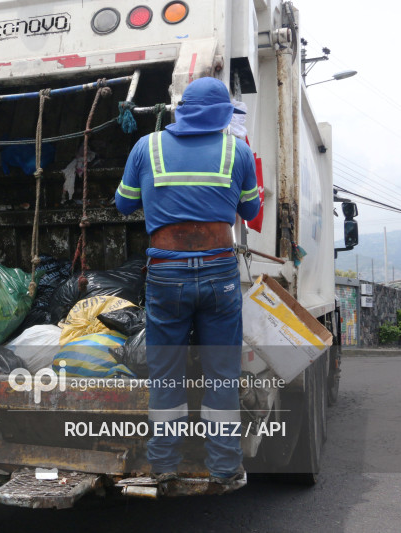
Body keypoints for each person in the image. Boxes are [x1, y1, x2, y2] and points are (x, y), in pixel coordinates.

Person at [115, 77, 260, 486]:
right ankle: (226, 469)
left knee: (166, 376)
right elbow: (250, 209)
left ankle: (162, 465)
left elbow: (123, 202)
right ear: (222, 116)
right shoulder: (239, 151)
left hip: (166, 274)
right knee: (221, 376)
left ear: (181, 110)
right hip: (219, 274)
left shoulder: (147, 147)